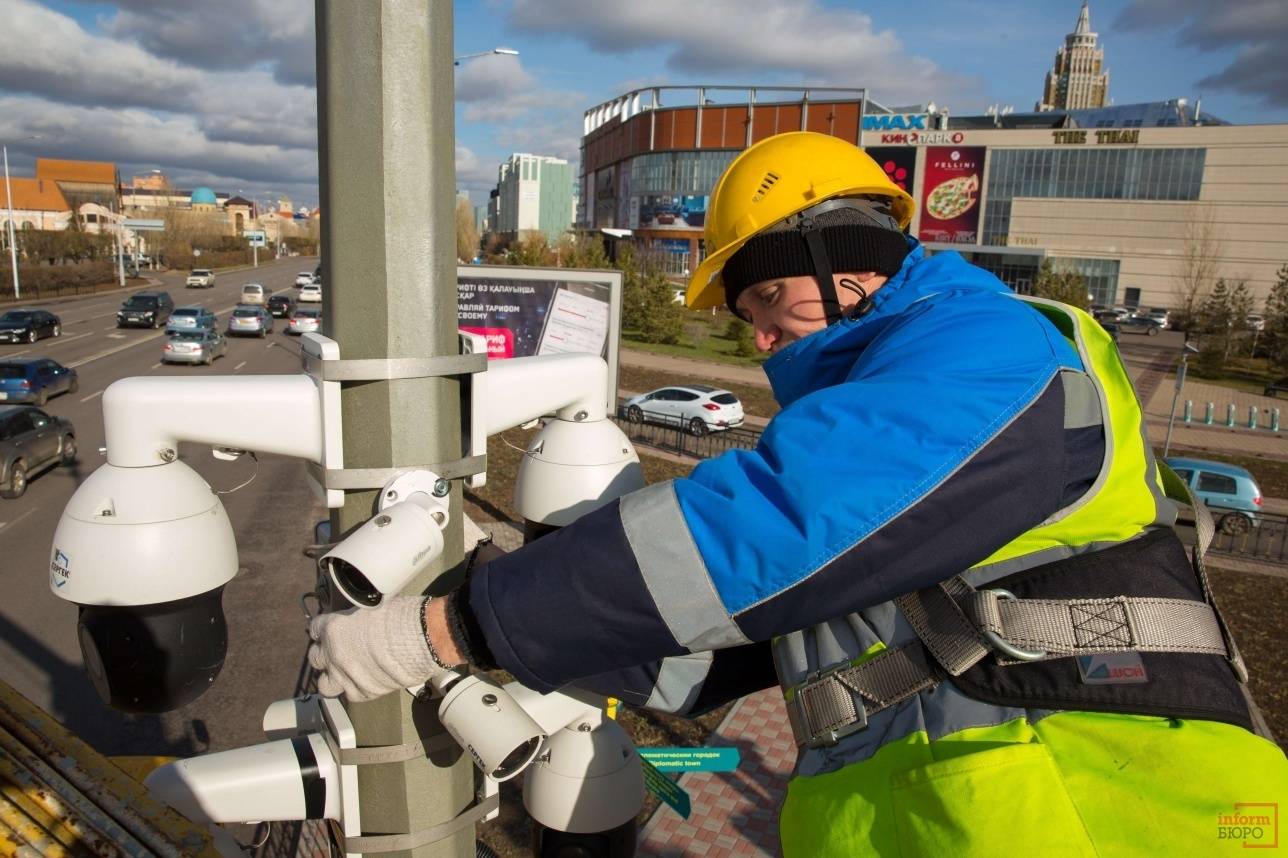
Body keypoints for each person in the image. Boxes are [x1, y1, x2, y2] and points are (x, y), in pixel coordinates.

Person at [310, 131, 1287, 855]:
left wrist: (452, 628)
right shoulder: (894, 411)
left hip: (1102, 813)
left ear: (838, 258)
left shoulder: (989, 350)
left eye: (764, 302)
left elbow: (778, 526)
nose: (760, 340)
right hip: (953, 818)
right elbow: (746, 645)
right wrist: (534, 628)